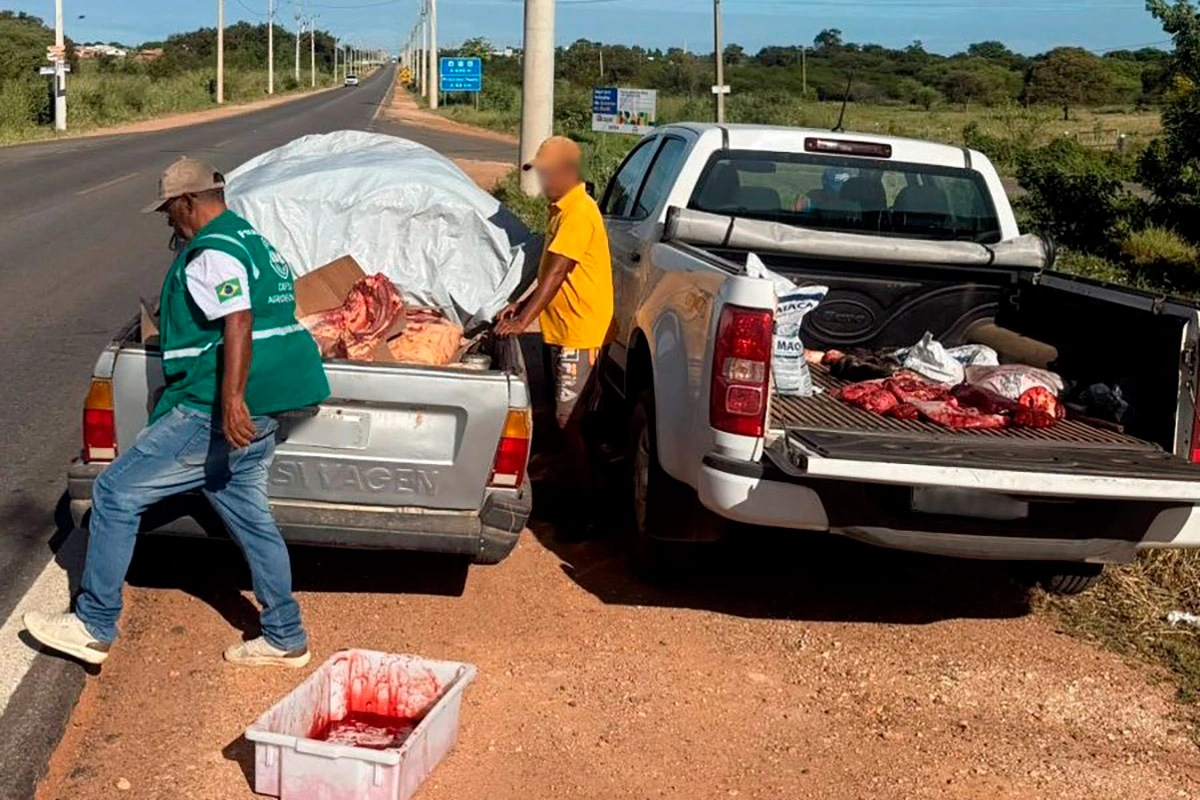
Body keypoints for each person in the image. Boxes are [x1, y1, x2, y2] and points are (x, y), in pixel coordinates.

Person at [24, 157, 330, 668]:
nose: (170, 221)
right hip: (273, 399)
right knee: (252, 520)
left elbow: (238, 318)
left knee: (116, 493)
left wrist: (231, 400)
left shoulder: (212, 251)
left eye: (170, 210)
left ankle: (93, 624)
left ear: (189, 202)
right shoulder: (254, 239)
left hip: (215, 406)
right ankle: (285, 636)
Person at [494, 136, 614, 532]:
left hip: (581, 332)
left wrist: (523, 318)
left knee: (570, 419)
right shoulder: (559, 210)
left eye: (547, 172)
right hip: (562, 329)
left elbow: (559, 273)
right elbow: (550, 273)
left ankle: (590, 510)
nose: (543, 179)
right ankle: (572, 495)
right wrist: (522, 303)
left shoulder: (578, 212)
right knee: (566, 421)